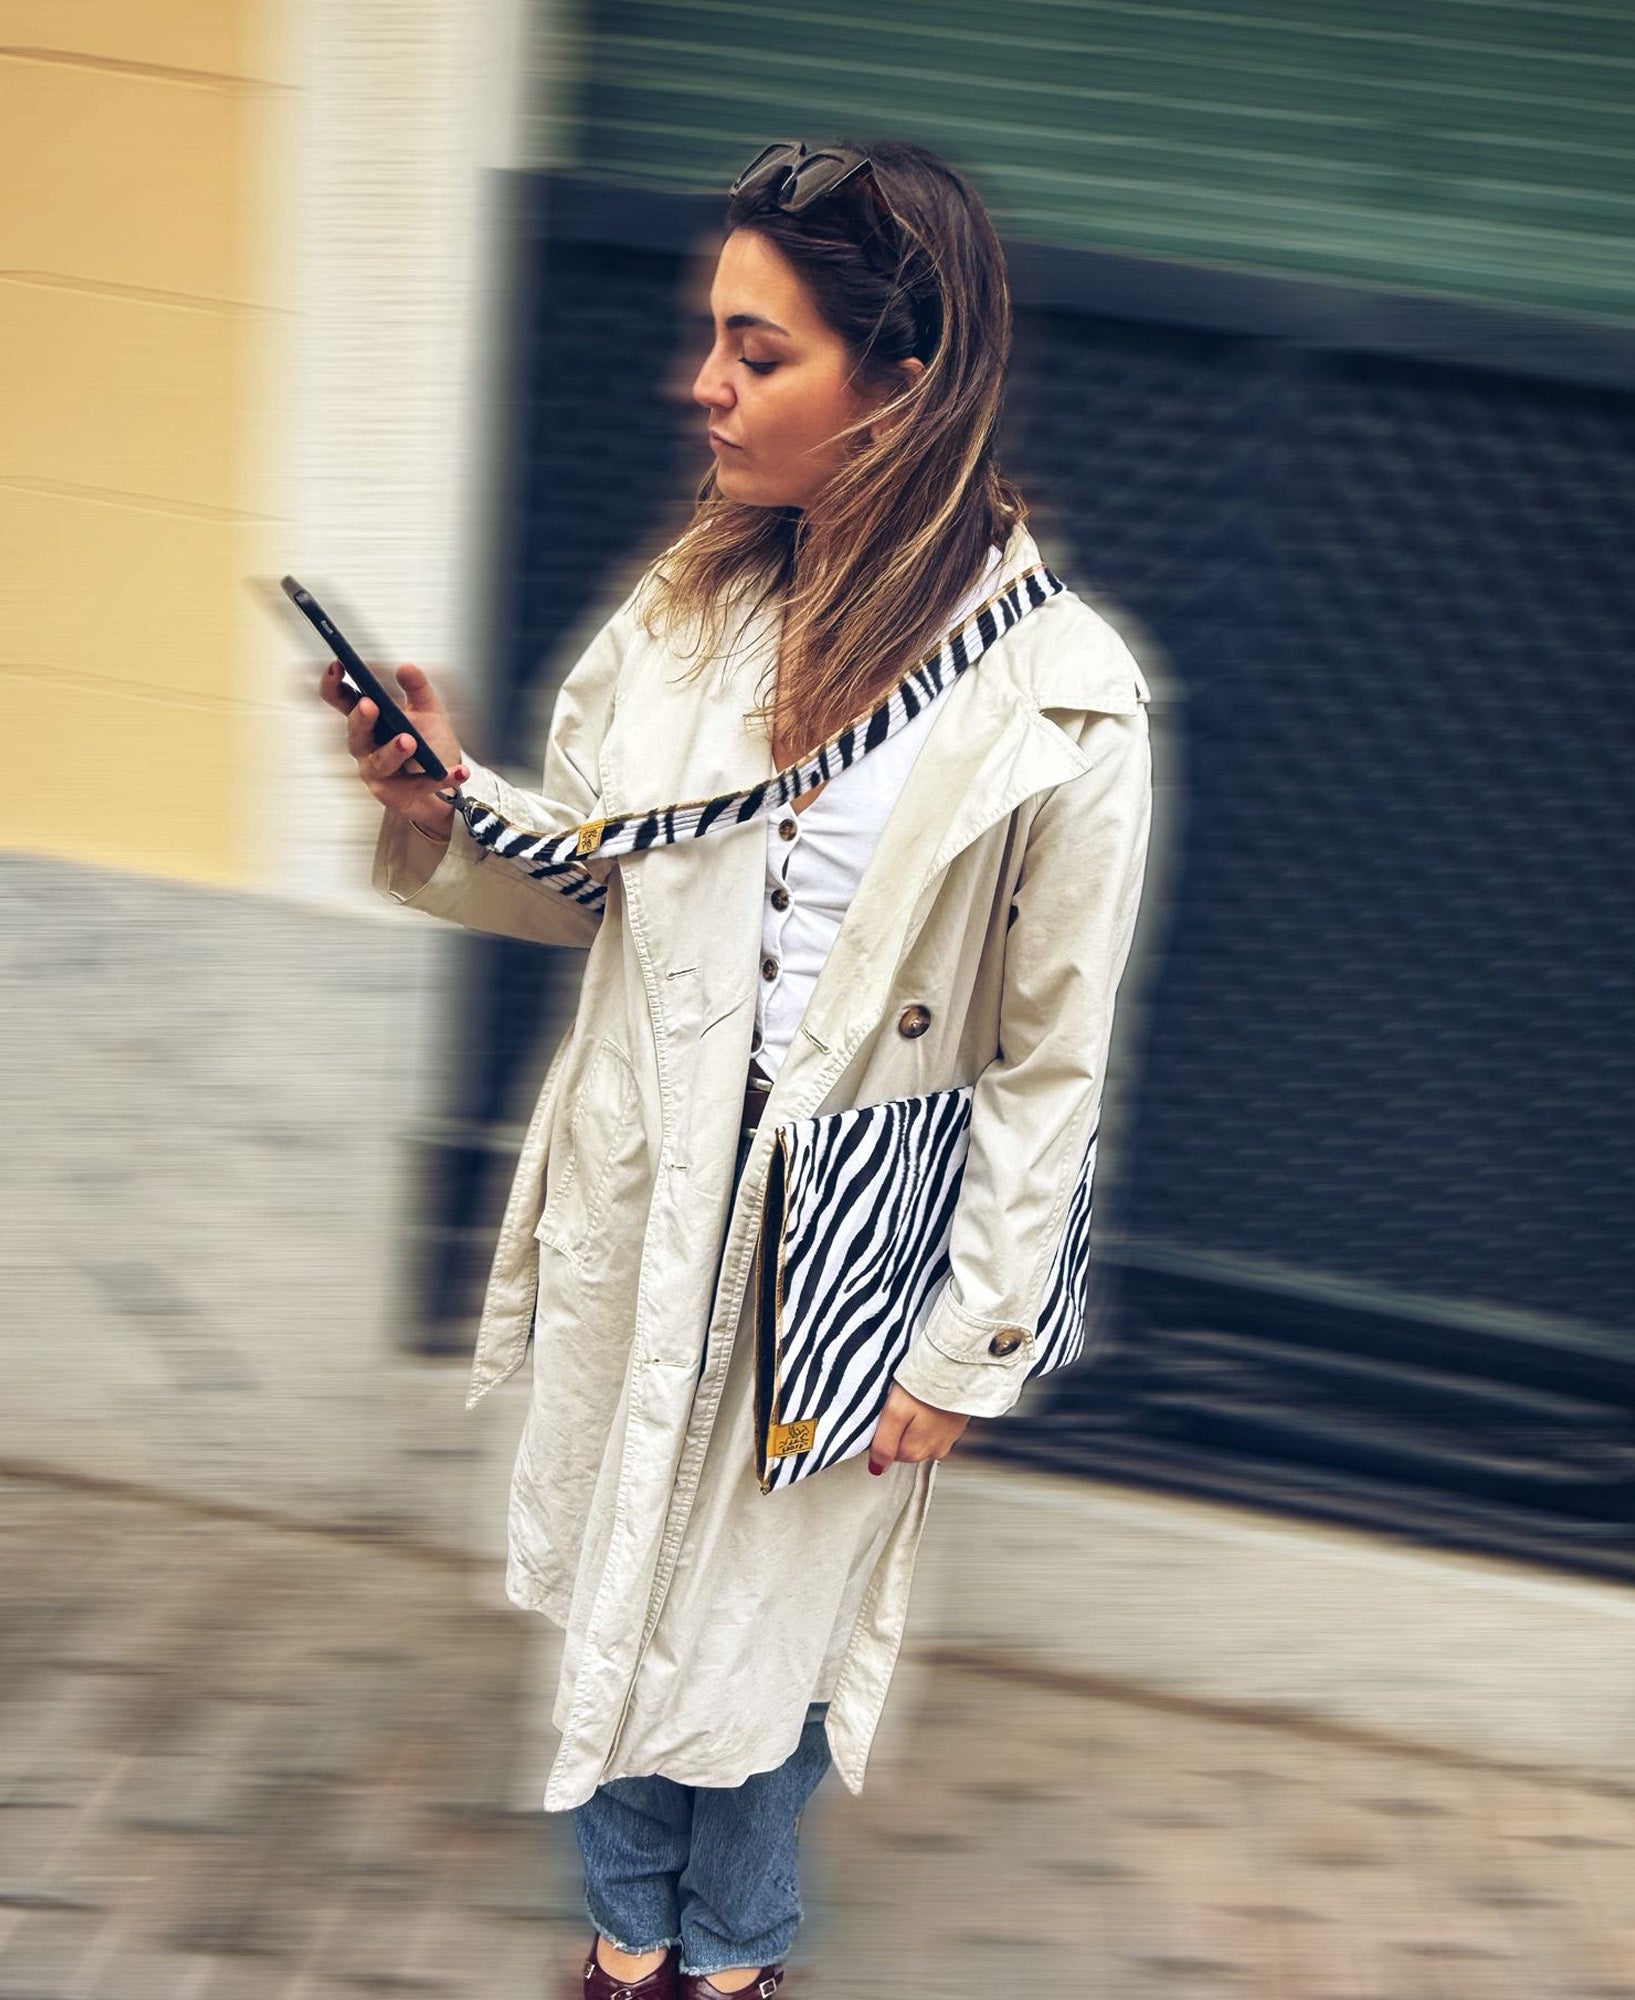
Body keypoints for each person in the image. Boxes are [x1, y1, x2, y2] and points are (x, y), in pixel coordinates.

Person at [320, 137, 1154, 2000]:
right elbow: (602, 880)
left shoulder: (1065, 696)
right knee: (625, 1577)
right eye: (716, 337)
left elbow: (1051, 1059)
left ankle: (736, 1956)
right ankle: (630, 1948)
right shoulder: (687, 615)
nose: (704, 382)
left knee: (767, 1633)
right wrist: (438, 807)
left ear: (903, 381)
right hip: (651, 1182)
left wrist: (971, 1343)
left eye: (758, 352)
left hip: (852, 1248)